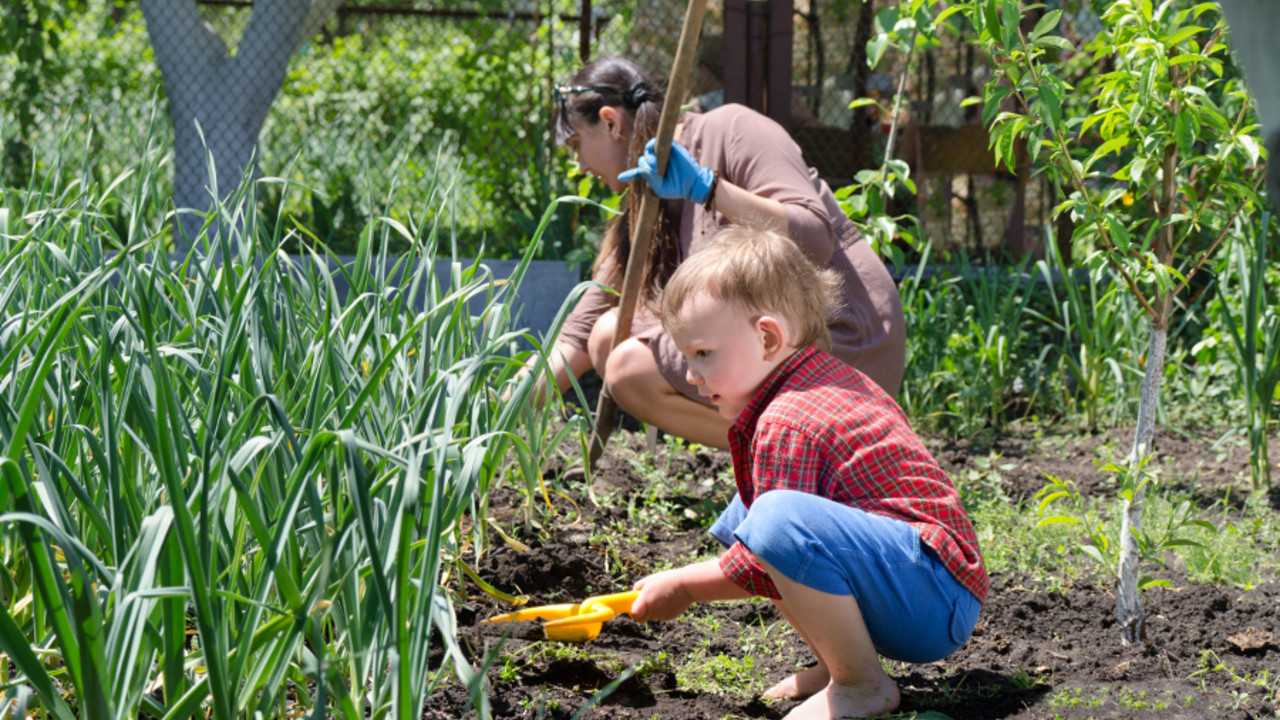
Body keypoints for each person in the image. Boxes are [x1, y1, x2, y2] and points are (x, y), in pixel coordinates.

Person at [628, 228, 987, 719]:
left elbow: (767, 558)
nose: (691, 374)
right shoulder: (821, 380)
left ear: (768, 337)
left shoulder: (787, 420)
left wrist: (686, 586)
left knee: (773, 521)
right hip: (924, 585)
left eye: (703, 354)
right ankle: (833, 663)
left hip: (930, 597)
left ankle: (861, 683)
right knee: (750, 511)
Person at [537, 55, 905, 450]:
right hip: (768, 347)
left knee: (628, 367)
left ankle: (794, 453)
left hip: (841, 342)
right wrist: (496, 414)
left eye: (577, 144)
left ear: (610, 122)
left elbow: (814, 239)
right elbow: (578, 333)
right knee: (609, 334)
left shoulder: (733, 129)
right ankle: (782, 453)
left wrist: (709, 190)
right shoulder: (644, 202)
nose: (580, 165)